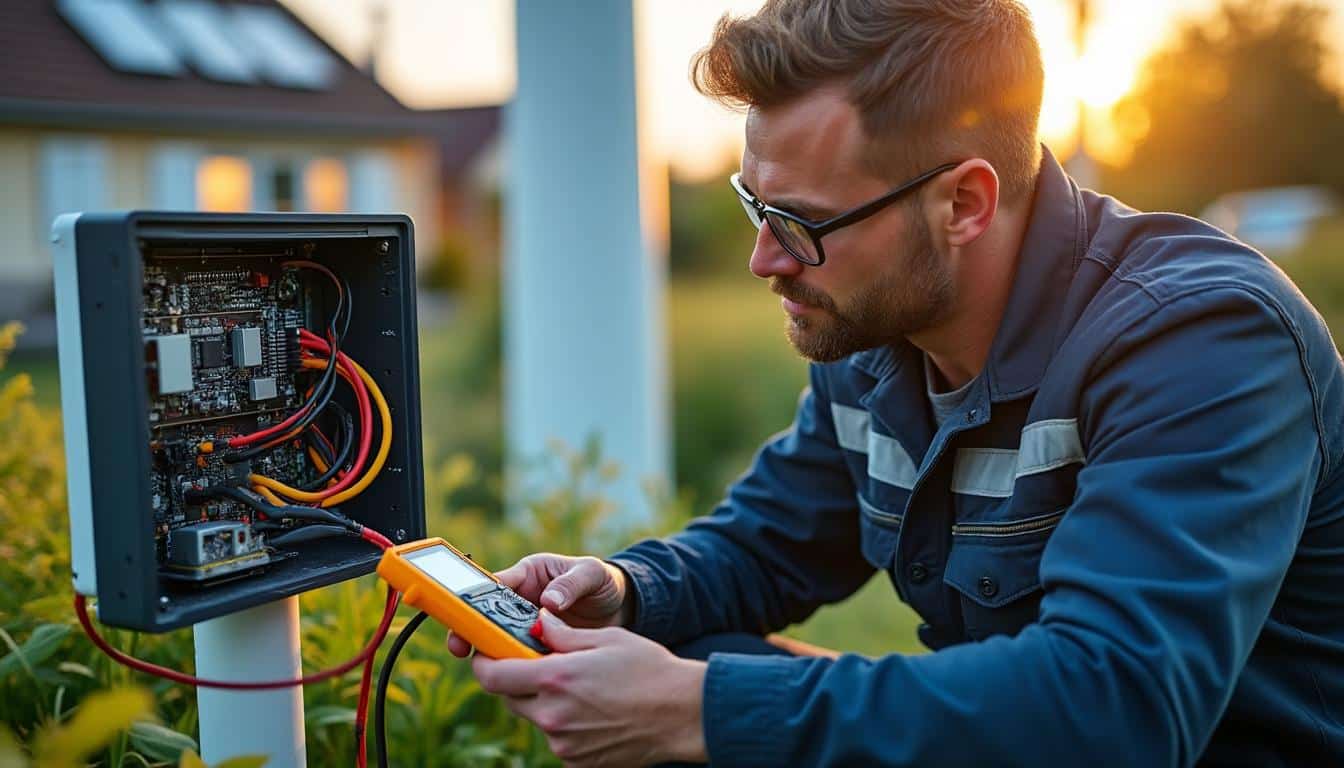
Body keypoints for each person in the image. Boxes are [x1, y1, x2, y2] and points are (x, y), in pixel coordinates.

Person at [449, 0, 1344, 764]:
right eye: (755, 205)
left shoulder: (1202, 339)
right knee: (678, 644)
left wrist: (698, 711)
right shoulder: (879, 334)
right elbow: (767, 544)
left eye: (801, 223)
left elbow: (1118, 708)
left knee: (707, 698)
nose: (765, 258)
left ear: (965, 203)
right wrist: (624, 589)